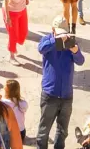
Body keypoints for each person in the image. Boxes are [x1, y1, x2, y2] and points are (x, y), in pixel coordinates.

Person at [35, 16, 84, 149]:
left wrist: (76, 51)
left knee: (62, 131)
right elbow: (41, 48)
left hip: (66, 95)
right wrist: (54, 40)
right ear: (53, 30)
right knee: (43, 132)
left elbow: (80, 61)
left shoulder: (71, 42)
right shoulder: (47, 40)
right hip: (50, 94)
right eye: (59, 32)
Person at [2, 0, 30, 64]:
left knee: (23, 32)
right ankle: (11, 55)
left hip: (22, 9)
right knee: (13, 34)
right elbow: (5, 1)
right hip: (11, 11)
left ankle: (14, 45)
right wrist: (8, 17)